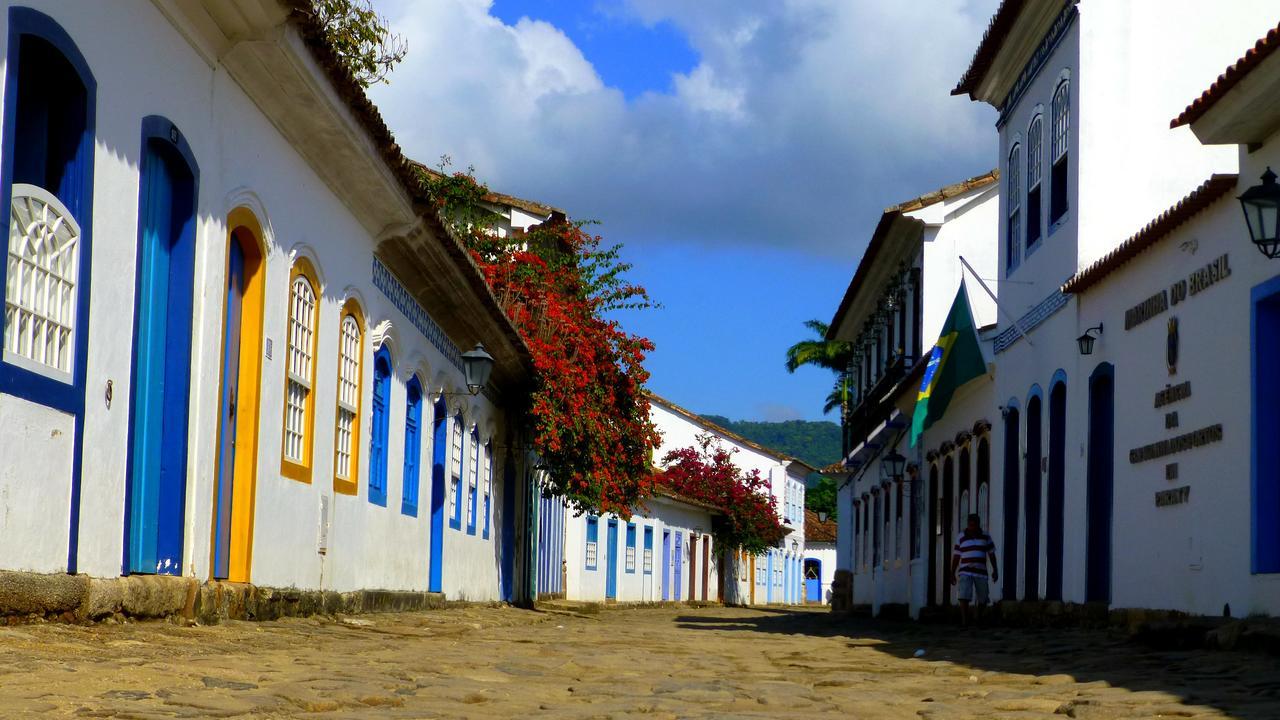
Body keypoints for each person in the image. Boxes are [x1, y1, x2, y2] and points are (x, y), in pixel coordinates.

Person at [950, 513, 998, 627]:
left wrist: (995, 570)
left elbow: (991, 554)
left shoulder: (986, 536)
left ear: (978, 524)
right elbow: (956, 556)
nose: (972, 528)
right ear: (968, 525)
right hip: (965, 570)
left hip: (981, 572)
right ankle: (964, 621)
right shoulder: (960, 537)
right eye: (970, 525)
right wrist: (952, 573)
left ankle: (978, 616)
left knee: (983, 597)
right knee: (963, 596)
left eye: (974, 525)